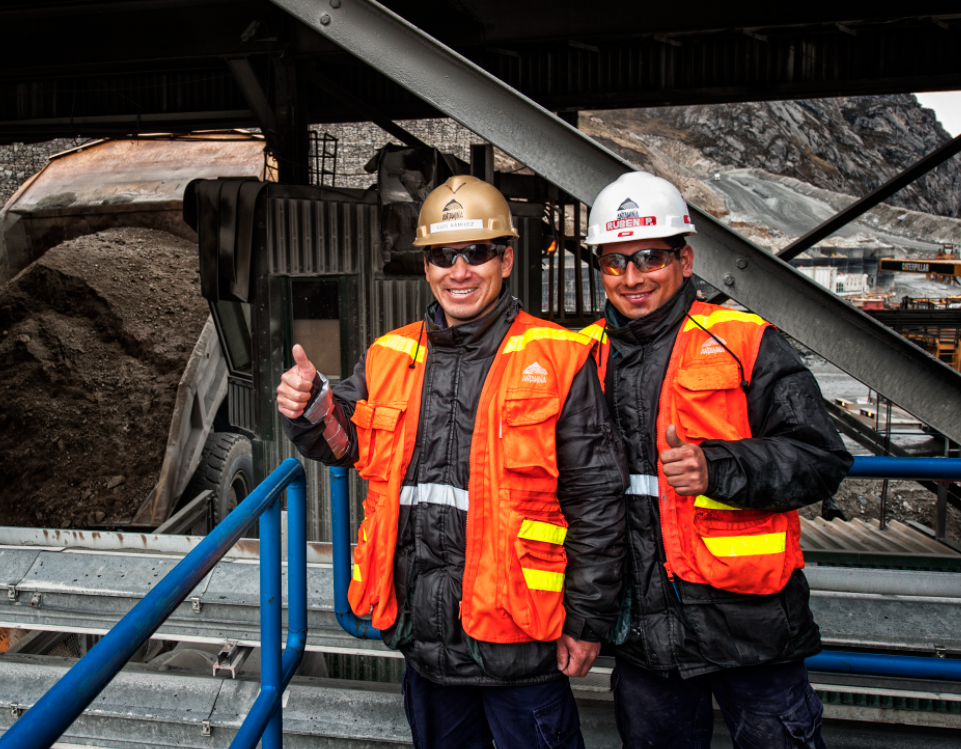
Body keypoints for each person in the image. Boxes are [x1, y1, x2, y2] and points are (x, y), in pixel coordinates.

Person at [276, 175, 628, 749]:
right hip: (427, 644)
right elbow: (345, 442)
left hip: (521, 648)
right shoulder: (389, 356)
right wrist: (309, 407)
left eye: (477, 252)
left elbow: (597, 502)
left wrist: (589, 623)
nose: (459, 271)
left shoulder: (558, 357)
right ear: (426, 266)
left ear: (505, 260)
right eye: (443, 255)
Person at [580, 171, 852, 749]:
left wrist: (717, 468)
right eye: (614, 262)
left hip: (751, 626)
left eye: (650, 258)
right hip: (644, 634)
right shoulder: (583, 356)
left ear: (685, 260)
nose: (632, 278)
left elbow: (821, 457)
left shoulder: (745, 341)